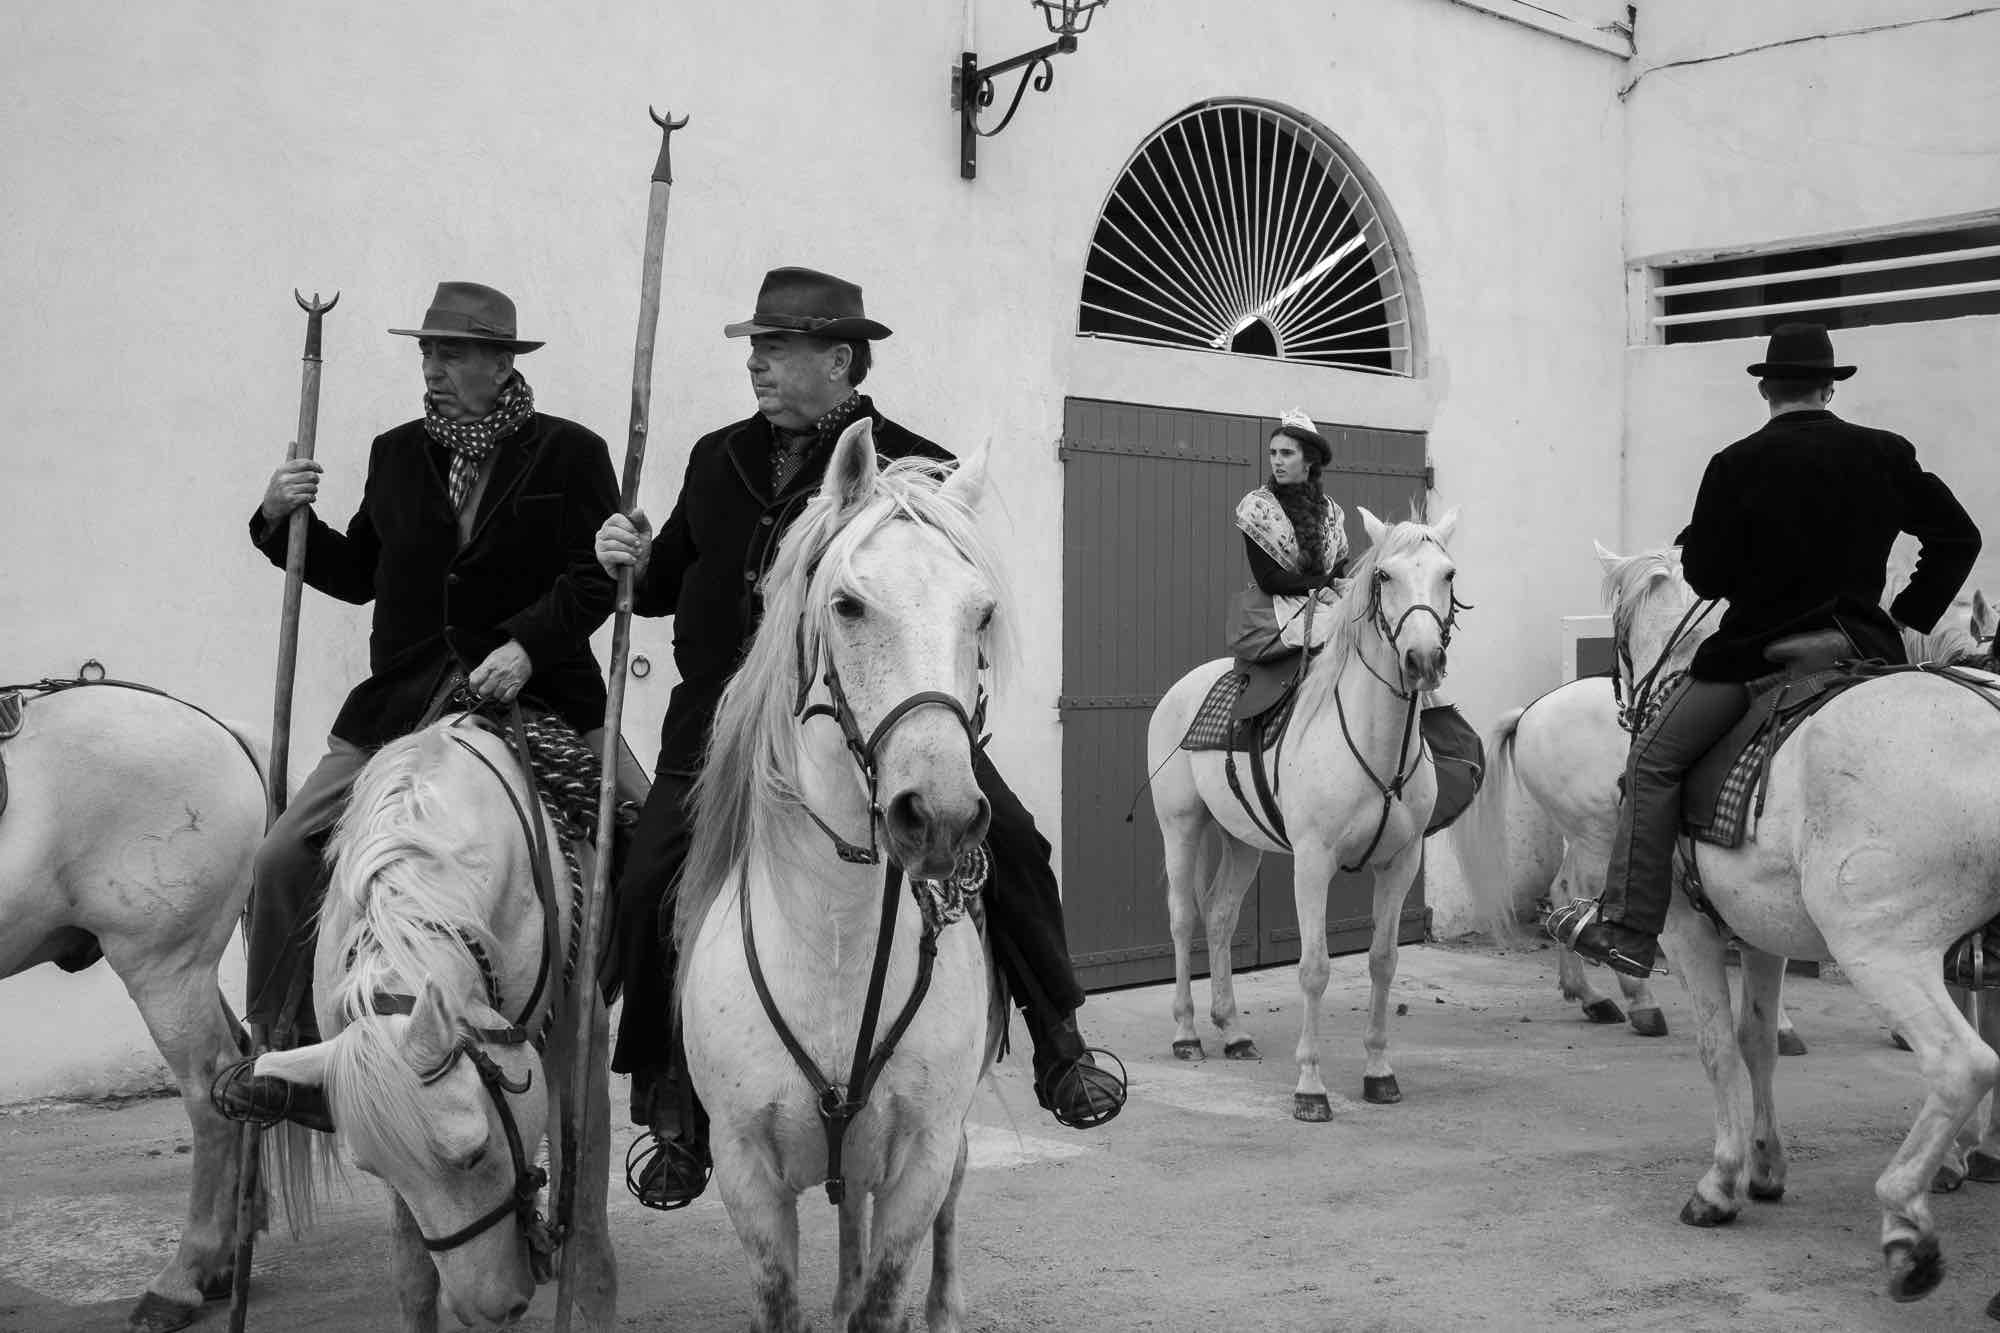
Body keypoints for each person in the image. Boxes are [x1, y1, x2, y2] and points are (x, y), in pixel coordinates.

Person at [596, 266, 1127, 1211]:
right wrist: (629, 556)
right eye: (755, 347)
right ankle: (669, 1092)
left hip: (876, 716)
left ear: (838, 359)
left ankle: (1059, 1040)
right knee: (646, 881)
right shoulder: (716, 458)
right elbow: (671, 576)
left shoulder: (914, 466)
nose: (756, 363)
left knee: (1014, 840)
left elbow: (943, 601)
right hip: (720, 725)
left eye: (777, 347)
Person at [210, 281, 631, 1132]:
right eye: (426, 352)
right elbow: (359, 572)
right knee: (283, 857)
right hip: (401, 701)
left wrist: (527, 645)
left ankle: (646, 1047)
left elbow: (598, 573)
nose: (432, 369)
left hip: (536, 689)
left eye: (451, 353)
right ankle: (286, 1051)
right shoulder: (396, 453)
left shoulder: (571, 452)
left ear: (500, 363)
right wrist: (279, 520)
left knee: (648, 838)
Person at [1550, 321, 1980, 977]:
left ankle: (1629, 927)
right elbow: (1958, 538)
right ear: (1829, 389)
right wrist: (1905, 616)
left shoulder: (1734, 464)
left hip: (1758, 657)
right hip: (1861, 651)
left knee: (1652, 761)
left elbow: (1705, 577)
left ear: (1767, 390)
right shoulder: (1887, 453)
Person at [1228, 409, 1349, 664]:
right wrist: (1320, 584)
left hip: (1326, 605)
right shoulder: (1258, 507)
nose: (1277, 461)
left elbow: (1338, 572)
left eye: (1286, 453)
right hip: (1275, 612)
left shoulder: (1333, 512)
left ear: (1309, 462)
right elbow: (1269, 579)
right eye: (1273, 453)